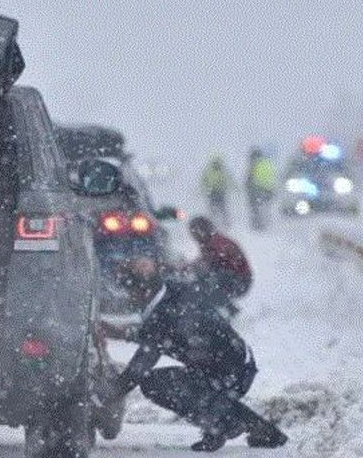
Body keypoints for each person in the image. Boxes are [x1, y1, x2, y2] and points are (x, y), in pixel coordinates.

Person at [97, 258, 288, 452]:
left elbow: (139, 368)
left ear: (142, 291)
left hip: (231, 372)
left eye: (130, 293)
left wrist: (106, 397)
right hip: (236, 363)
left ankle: (220, 425)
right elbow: (161, 334)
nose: (129, 299)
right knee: (208, 394)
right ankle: (265, 432)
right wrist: (122, 333)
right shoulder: (172, 292)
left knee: (155, 384)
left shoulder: (164, 315)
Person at [188, 216, 252, 317]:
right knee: (200, 283)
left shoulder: (218, 242)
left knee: (208, 283)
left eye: (195, 232)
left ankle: (228, 311)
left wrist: (204, 266)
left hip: (240, 281)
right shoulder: (208, 244)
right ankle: (225, 310)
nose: (194, 236)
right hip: (233, 278)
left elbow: (222, 262)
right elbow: (204, 262)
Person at [244, 148, 276, 231]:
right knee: (265, 207)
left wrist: (247, 187)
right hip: (269, 190)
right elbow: (274, 177)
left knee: (255, 208)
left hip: (257, 190)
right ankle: (267, 223)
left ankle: (257, 224)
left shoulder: (254, 164)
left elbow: (249, 179)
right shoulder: (268, 163)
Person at [200, 155, 233, 226]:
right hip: (219, 192)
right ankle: (225, 222)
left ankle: (215, 222)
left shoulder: (209, 171)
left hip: (212, 192)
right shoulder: (222, 171)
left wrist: (204, 189)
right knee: (222, 208)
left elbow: (203, 181)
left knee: (215, 208)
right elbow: (229, 180)